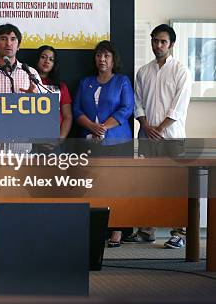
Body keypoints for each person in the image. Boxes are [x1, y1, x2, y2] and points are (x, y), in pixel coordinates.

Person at [125, 24, 192, 249]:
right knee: (149, 184)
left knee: (173, 186)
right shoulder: (143, 71)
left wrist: (159, 128)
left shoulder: (181, 71)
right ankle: (147, 230)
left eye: (163, 42)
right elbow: (138, 103)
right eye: (155, 41)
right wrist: (146, 125)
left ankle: (178, 233)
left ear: (171, 44)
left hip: (171, 137)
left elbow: (178, 108)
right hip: (146, 135)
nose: (158, 45)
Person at [73, 40, 134, 247]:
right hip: (89, 141)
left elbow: (126, 109)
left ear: (113, 59)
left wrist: (103, 128)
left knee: (116, 185)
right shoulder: (85, 82)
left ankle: (117, 229)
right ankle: (92, 229)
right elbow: (76, 110)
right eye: (99, 55)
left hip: (116, 142)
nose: (102, 59)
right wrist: (92, 126)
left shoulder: (122, 81)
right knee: (91, 186)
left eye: (106, 56)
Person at [33, 45, 73, 138]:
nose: (47, 61)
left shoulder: (61, 87)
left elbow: (67, 116)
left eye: (51, 59)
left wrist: (60, 139)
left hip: (54, 138)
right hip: (32, 139)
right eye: (43, 57)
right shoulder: (26, 82)